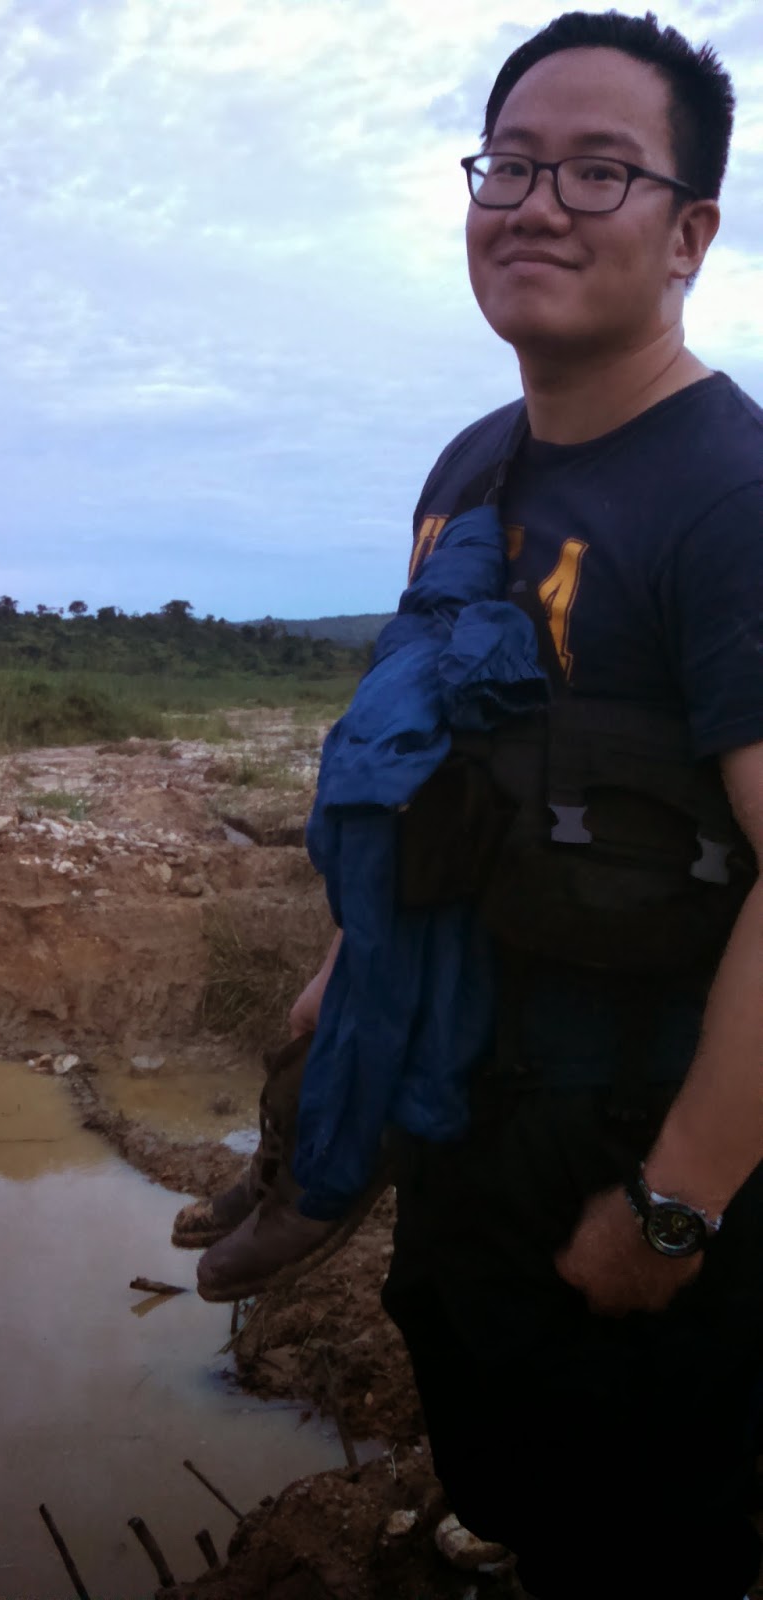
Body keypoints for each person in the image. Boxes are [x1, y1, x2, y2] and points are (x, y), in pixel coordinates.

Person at [371, 12, 761, 1600]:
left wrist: (680, 1203)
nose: (536, 205)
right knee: (491, 1414)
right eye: (512, 164)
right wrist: (348, 987)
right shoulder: (469, 471)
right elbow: (433, 763)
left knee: (653, 1524)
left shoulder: (730, 498)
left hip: (646, 1124)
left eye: (599, 171)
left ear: (688, 235)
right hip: (473, 1102)